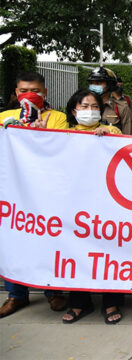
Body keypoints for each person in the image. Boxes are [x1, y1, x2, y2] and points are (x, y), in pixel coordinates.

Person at [0, 71, 68, 318]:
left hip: (46, 192)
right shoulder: (4, 118)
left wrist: (41, 135)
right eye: (23, 91)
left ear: (45, 93)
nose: (30, 95)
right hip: (14, 193)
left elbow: (60, 148)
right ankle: (16, 295)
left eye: (36, 91)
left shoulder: (57, 118)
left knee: (50, 240)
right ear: (15, 94)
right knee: (14, 242)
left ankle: (53, 291)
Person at [60, 88, 123, 324]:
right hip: (76, 203)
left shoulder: (111, 130)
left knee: (110, 253)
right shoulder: (64, 134)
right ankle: (79, 303)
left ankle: (111, 301)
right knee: (76, 252)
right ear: (74, 110)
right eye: (84, 106)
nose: (90, 111)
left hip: (107, 203)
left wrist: (109, 135)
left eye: (95, 107)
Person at [87, 66, 129, 131]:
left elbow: (129, 137)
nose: (93, 86)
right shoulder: (83, 106)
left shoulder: (121, 108)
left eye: (98, 83)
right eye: (91, 83)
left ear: (109, 85)